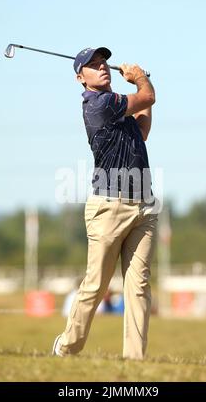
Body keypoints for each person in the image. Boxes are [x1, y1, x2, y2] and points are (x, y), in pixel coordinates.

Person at [52, 46, 158, 360]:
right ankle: (67, 347)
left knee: (138, 286)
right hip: (109, 206)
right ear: (79, 78)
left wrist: (142, 87)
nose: (102, 67)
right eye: (93, 65)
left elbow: (142, 128)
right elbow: (148, 98)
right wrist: (141, 82)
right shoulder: (98, 104)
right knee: (97, 284)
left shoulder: (117, 106)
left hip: (143, 204)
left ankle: (134, 361)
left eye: (103, 63)